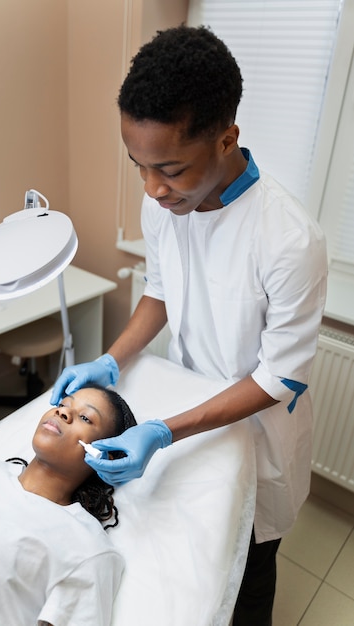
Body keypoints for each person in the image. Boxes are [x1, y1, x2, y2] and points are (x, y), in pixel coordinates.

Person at [51, 25, 328, 625]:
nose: (152, 189)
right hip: (189, 408)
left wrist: (164, 431)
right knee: (198, 555)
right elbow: (162, 292)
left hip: (257, 431)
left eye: (170, 169)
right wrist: (112, 358)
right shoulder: (168, 206)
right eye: (139, 166)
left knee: (251, 567)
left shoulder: (289, 239)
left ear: (227, 138)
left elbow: (280, 377)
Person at [0, 385, 137, 626]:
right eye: (63, 404)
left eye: (85, 417)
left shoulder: (84, 547)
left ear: (106, 457)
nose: (62, 413)